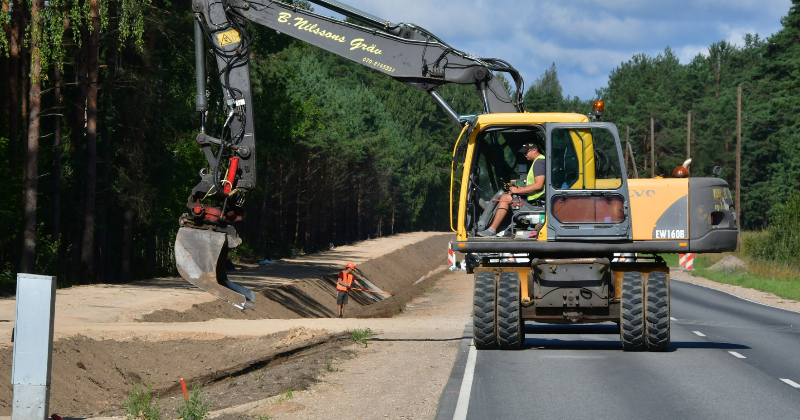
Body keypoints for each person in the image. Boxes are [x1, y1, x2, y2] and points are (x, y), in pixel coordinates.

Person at [477, 142, 546, 237]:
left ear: (534, 150)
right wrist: (520, 188)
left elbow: (538, 185)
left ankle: (491, 230)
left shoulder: (539, 162)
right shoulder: (539, 161)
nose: (524, 155)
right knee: (507, 196)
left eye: (526, 152)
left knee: (505, 197)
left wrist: (518, 191)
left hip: (537, 202)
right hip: (534, 199)